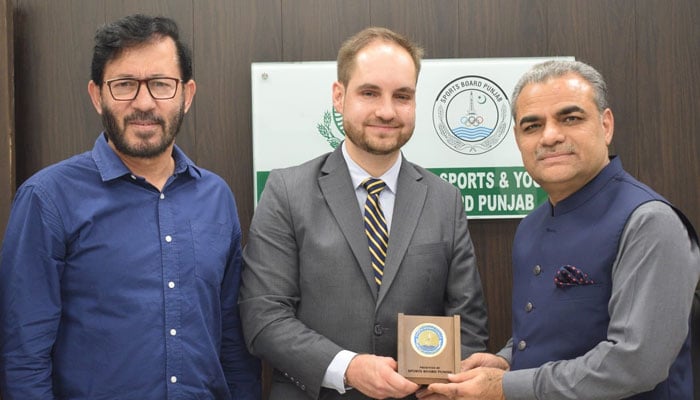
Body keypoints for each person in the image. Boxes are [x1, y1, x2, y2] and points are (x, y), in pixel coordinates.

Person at [0, 14, 261, 399]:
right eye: (124, 85)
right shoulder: (48, 198)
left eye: (160, 84)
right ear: (97, 95)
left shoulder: (216, 198)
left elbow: (231, 341)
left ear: (187, 95)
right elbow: (24, 354)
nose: (144, 103)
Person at [425, 60, 700, 400]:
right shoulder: (530, 226)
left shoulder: (649, 222)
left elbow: (635, 363)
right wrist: (506, 361)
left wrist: (504, 388)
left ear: (606, 125)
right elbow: (552, 332)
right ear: (518, 139)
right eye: (532, 126)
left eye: (570, 118)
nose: (551, 136)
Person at [239, 27, 489, 400]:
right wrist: (349, 368)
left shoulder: (445, 199)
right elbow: (263, 318)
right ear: (339, 97)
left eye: (402, 96)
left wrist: (450, 385)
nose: (386, 111)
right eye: (369, 93)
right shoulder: (286, 191)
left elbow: (467, 322)